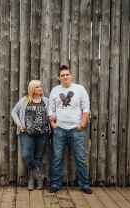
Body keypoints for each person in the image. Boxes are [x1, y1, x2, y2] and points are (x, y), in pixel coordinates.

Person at [47, 65, 92, 194]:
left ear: (71, 75)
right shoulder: (55, 90)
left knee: (80, 158)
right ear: (59, 77)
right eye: (62, 75)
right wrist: (53, 123)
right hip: (59, 129)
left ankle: (84, 185)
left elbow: (86, 108)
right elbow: (51, 109)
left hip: (76, 130)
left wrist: (82, 124)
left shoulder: (79, 89)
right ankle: (55, 184)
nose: (65, 77)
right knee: (57, 158)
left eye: (67, 74)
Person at [11, 80, 51, 191]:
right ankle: (40, 176)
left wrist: (52, 117)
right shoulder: (24, 100)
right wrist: (19, 125)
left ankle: (32, 181)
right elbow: (14, 112)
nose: (40, 88)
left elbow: (53, 113)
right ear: (32, 89)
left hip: (43, 133)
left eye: (40, 86)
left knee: (37, 157)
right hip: (27, 133)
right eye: (37, 87)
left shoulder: (46, 101)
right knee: (27, 156)